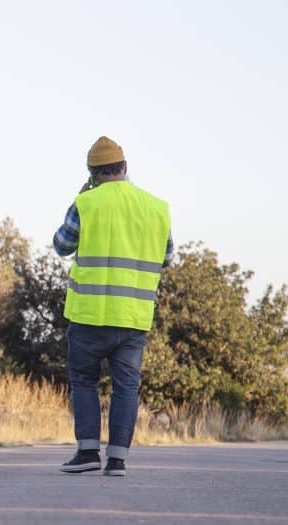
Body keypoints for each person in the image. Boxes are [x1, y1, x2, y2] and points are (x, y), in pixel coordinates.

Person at [53, 136, 173, 476]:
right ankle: (117, 460)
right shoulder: (157, 208)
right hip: (134, 318)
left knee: (84, 381)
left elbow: (61, 245)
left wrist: (79, 201)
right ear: (125, 167)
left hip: (89, 315)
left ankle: (88, 452)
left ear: (92, 173)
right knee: (126, 388)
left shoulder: (87, 203)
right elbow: (166, 258)